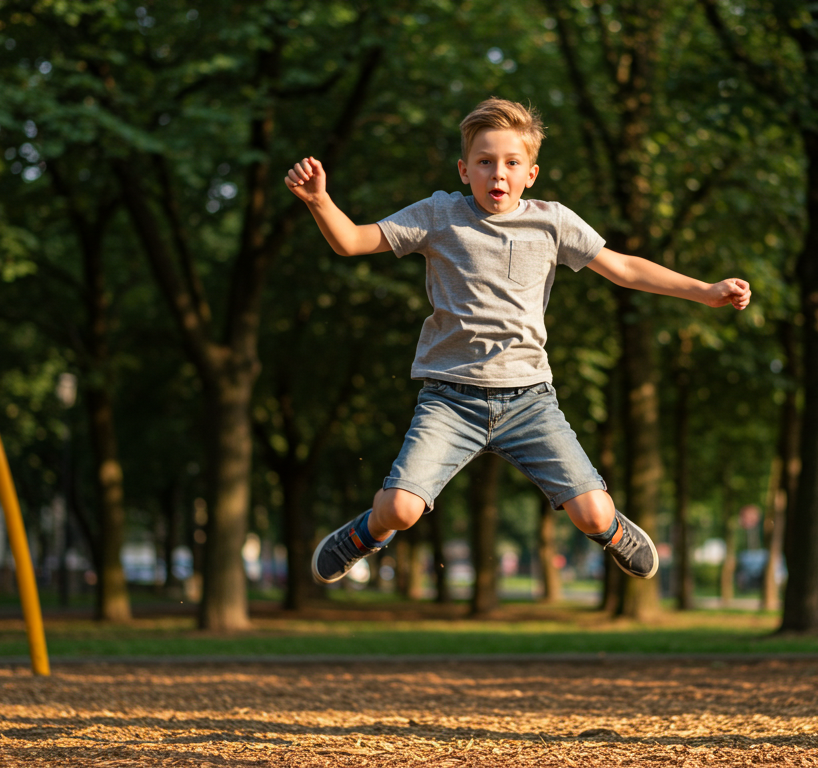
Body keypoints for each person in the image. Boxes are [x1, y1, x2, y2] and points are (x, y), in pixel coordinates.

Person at [284, 97, 751, 586]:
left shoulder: (553, 222)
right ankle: (364, 534)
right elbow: (353, 241)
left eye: (511, 163)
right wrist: (319, 200)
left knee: (591, 515)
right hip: (449, 398)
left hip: (529, 401)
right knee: (401, 508)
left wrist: (705, 290)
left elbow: (625, 268)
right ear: (465, 170)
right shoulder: (438, 215)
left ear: (531, 173)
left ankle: (612, 528)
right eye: (484, 163)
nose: (497, 174)